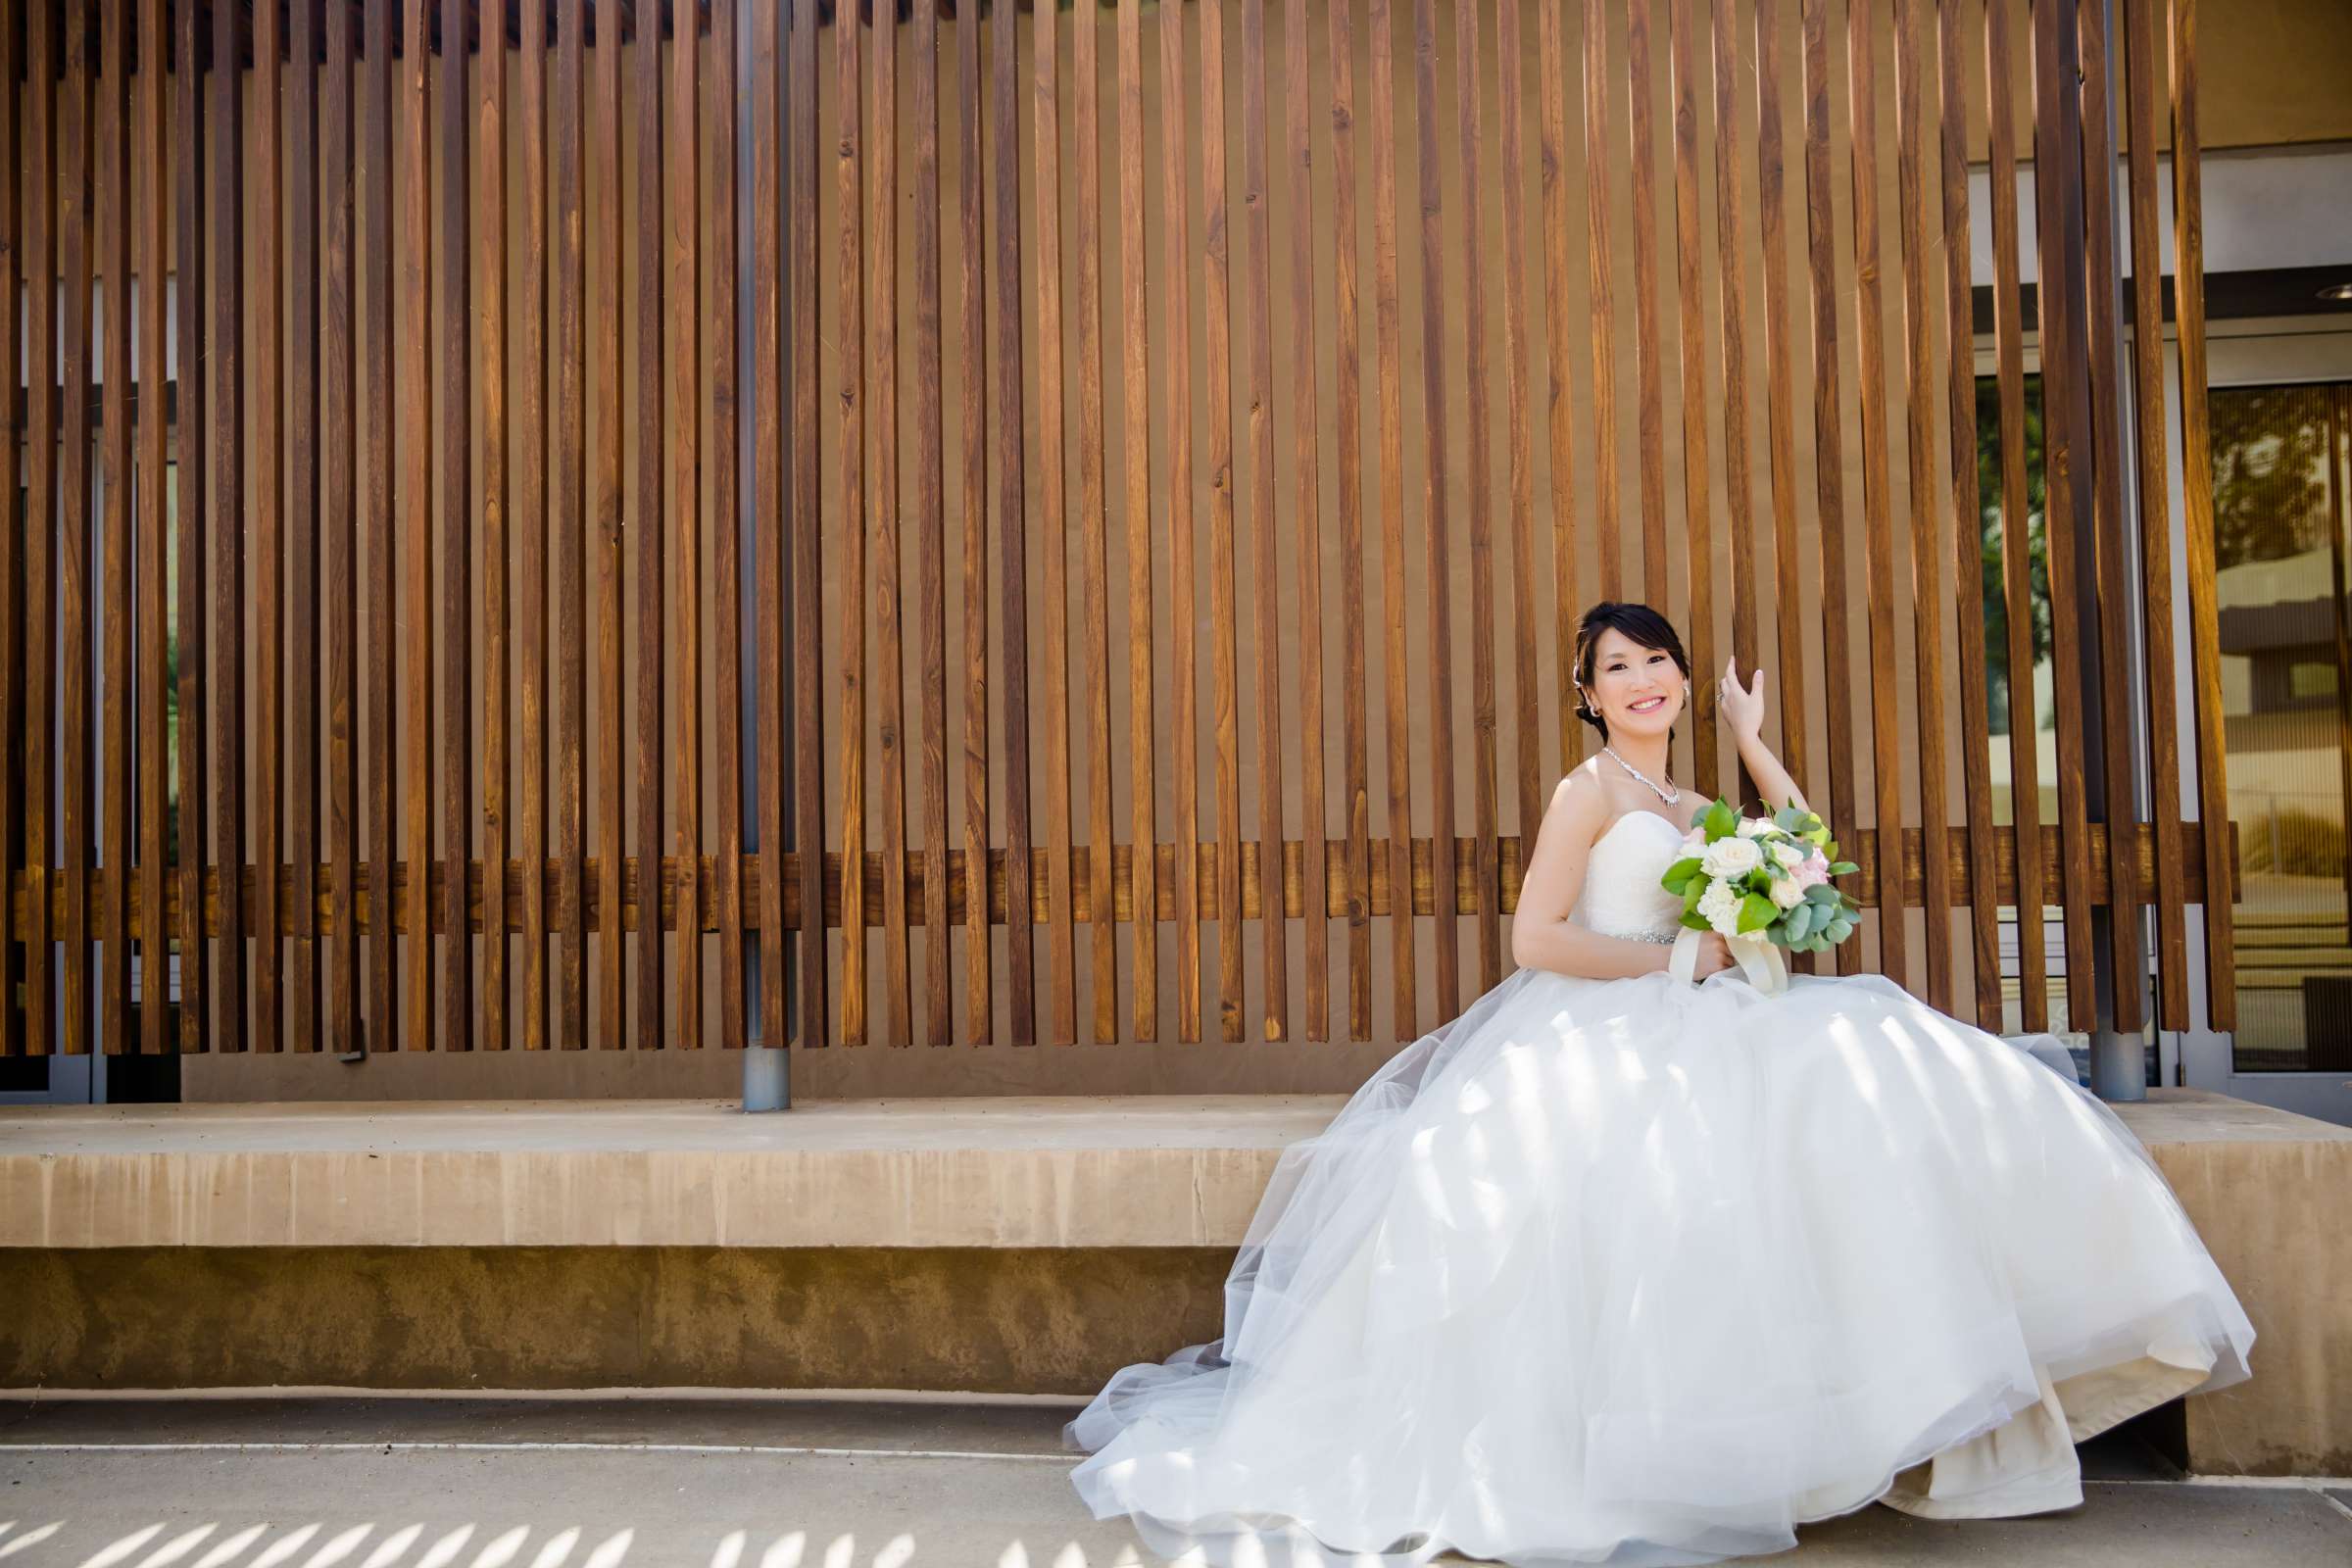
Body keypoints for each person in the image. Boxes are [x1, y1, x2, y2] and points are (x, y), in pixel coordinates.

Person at [1062, 600, 2254, 1568]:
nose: (1642, 680)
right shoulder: (1588, 794)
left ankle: (1875, 1421)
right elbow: (1534, 940)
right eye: (1616, 668)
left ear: (1682, 680)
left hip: (1715, 1014)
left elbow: (1806, 849)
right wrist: (1672, 958)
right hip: (1605, 1024)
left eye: (1658, 662)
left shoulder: (1699, 806)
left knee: (1886, 1063)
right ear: (1588, 694)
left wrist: (1750, 739)